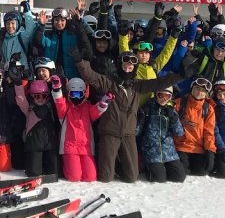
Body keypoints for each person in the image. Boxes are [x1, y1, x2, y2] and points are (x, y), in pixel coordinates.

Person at [72, 51, 190, 183]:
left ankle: (116, 162)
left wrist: (181, 76)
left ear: (134, 68)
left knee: (132, 177)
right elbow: (91, 76)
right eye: (125, 66)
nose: (128, 69)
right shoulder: (109, 83)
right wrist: (80, 62)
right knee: (105, 177)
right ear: (119, 66)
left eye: (131, 67)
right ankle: (108, 159)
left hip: (128, 134)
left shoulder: (138, 86)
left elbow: (160, 83)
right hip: (110, 132)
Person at [55, 76, 106, 182]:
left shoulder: (88, 107)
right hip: (70, 147)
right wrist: (57, 88)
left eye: (79, 94)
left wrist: (103, 103)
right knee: (75, 177)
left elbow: (96, 110)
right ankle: (66, 167)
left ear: (84, 93)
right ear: (69, 94)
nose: (76, 97)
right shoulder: (65, 108)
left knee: (90, 177)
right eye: (73, 94)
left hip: (86, 147)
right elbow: (59, 101)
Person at [13, 77, 61, 178]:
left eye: (43, 96)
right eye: (36, 96)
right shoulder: (29, 108)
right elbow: (21, 100)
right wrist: (17, 84)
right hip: (34, 144)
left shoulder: (51, 107)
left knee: (54, 173)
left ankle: (45, 164)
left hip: (50, 143)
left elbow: (60, 100)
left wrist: (58, 85)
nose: (40, 99)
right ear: (31, 96)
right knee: (33, 173)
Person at [137, 86, 186, 183]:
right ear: (156, 94)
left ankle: (163, 167)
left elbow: (179, 133)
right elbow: (137, 132)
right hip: (152, 150)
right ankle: (149, 167)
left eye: (167, 96)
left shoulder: (171, 109)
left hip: (168, 151)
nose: (164, 99)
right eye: (161, 95)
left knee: (179, 177)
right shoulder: (147, 108)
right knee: (159, 179)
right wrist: (140, 118)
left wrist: (174, 120)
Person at [173, 77, 217, 176]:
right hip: (181, 146)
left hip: (198, 148)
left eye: (203, 91)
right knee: (182, 172)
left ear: (206, 94)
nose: (199, 92)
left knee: (201, 171)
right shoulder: (179, 103)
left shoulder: (208, 109)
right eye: (197, 88)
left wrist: (210, 151)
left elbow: (209, 131)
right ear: (191, 88)